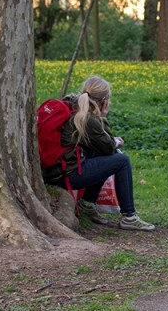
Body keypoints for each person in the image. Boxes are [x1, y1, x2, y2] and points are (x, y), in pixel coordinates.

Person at [42, 75, 156, 231]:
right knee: (121, 161)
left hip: (51, 171)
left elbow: (100, 145)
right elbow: (109, 147)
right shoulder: (89, 119)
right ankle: (129, 216)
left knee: (103, 155)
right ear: (104, 100)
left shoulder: (71, 104)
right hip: (68, 175)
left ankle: (88, 204)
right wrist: (102, 116)